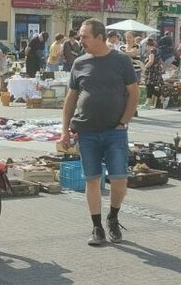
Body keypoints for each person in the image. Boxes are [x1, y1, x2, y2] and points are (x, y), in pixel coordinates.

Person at [60, 19, 138, 247]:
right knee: (92, 179)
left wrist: (123, 122)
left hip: (115, 131)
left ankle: (113, 217)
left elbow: (133, 94)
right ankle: (97, 227)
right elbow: (71, 98)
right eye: (80, 36)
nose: (80, 40)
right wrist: (64, 130)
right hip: (87, 131)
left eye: (85, 36)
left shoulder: (121, 61)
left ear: (100, 37)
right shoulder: (79, 63)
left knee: (119, 179)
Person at [142, 36, 164, 108]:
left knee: (149, 86)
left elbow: (151, 61)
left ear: (147, 45)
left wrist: (145, 67)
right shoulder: (157, 50)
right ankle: (159, 98)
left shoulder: (152, 51)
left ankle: (148, 103)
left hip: (152, 72)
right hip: (156, 71)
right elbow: (160, 61)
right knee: (150, 87)